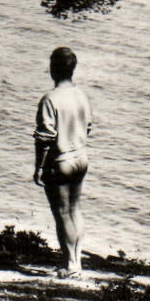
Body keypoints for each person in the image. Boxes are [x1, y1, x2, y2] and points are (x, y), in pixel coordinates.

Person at [34, 46, 94, 276]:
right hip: (81, 157)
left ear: (53, 69)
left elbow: (44, 138)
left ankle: (71, 266)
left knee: (62, 212)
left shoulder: (50, 99)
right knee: (75, 209)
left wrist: (38, 167)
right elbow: (88, 126)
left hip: (61, 160)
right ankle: (77, 261)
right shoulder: (81, 95)